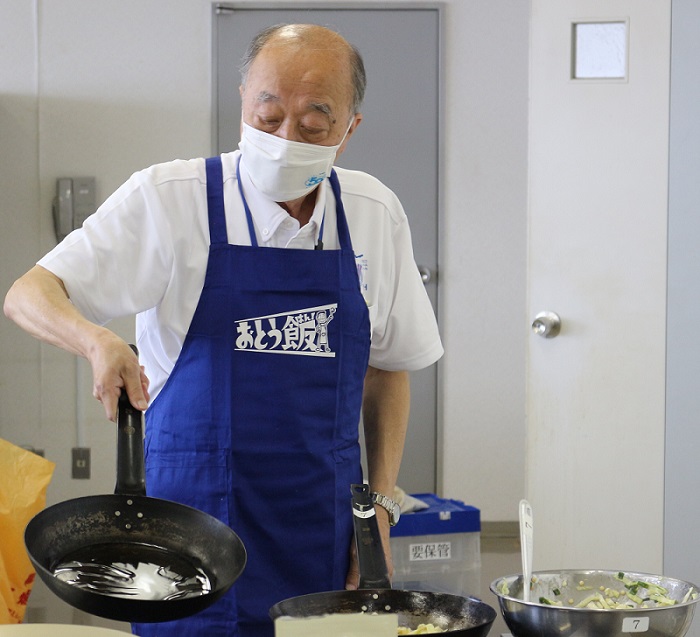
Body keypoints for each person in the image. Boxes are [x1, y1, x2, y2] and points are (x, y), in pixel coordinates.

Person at [4, 23, 443, 637]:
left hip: (322, 528)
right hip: (188, 542)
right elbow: (28, 293)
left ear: (349, 129)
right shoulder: (169, 199)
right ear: (242, 101)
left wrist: (382, 514)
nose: (288, 138)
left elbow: (389, 369)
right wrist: (95, 339)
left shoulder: (372, 213)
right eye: (268, 116)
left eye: (314, 125)